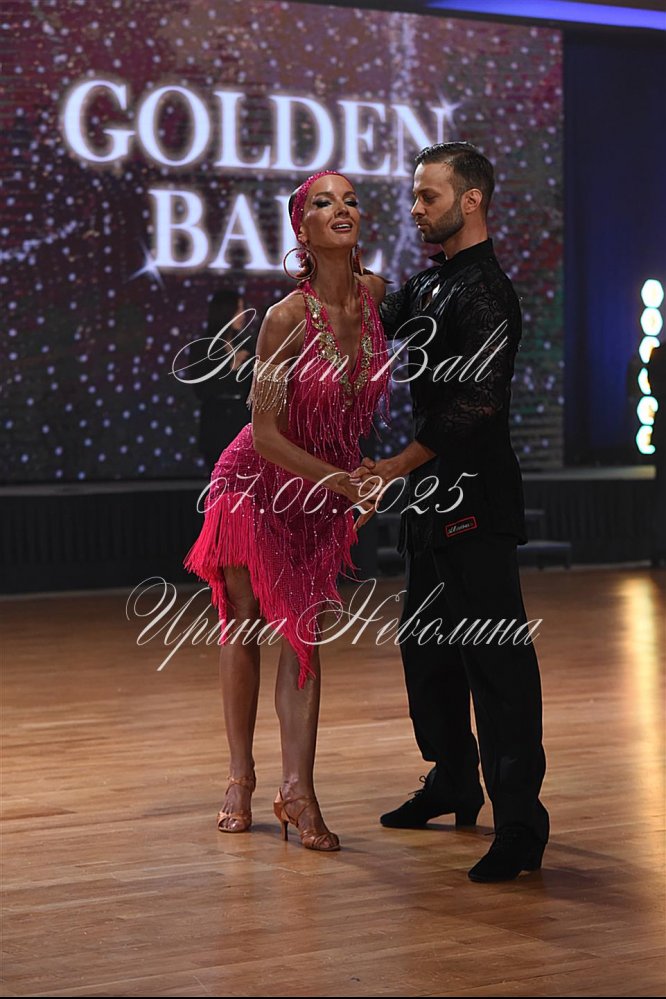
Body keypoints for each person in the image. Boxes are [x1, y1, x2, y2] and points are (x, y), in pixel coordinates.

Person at [350, 142, 550, 882]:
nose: (414, 208)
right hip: (432, 502)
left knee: (495, 663)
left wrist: (395, 466)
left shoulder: (487, 292)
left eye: (427, 196)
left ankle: (520, 822)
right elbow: (372, 315)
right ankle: (454, 781)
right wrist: (334, 263)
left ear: (470, 201)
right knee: (426, 649)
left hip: (475, 501)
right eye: (413, 195)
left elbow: (476, 406)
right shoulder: (432, 285)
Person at [183, 170, 391, 851]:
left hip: (320, 490)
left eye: (351, 199)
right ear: (302, 228)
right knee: (243, 622)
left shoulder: (375, 296)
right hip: (254, 483)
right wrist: (344, 482)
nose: (342, 208)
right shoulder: (283, 319)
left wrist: (359, 474)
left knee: (304, 636)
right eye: (324, 202)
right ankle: (240, 777)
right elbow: (267, 433)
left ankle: (298, 791)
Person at [188, 290, 255, 475]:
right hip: (216, 424)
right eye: (238, 309)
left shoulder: (246, 345)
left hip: (242, 421)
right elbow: (202, 390)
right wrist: (230, 368)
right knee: (221, 479)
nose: (243, 315)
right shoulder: (202, 347)